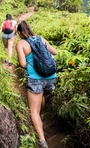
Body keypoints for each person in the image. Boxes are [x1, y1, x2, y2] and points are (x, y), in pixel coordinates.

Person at [16, 20, 58, 148]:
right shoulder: (41, 38)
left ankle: (42, 141)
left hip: (35, 79)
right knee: (41, 97)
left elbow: (23, 64)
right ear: (29, 28)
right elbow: (55, 52)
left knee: (33, 111)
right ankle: (42, 115)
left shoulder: (21, 43)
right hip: (50, 76)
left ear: (19, 32)